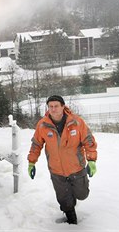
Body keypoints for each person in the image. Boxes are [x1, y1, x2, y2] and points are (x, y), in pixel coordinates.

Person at [27, 95, 97, 225]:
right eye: (50, 106)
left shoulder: (76, 122)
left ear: (63, 106)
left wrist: (91, 160)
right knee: (64, 200)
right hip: (56, 170)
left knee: (82, 194)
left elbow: (88, 140)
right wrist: (32, 162)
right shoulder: (43, 125)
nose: (53, 109)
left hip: (76, 167)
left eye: (56, 106)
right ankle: (71, 220)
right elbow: (36, 144)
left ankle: (74, 196)